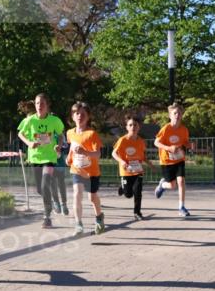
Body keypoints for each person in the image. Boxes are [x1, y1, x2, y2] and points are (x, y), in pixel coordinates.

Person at [17, 94, 66, 229]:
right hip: (35, 157)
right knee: (40, 189)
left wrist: (59, 145)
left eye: (42, 103)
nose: (39, 106)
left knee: (45, 185)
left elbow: (61, 135)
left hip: (49, 157)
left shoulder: (54, 120)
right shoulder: (30, 120)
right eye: (38, 103)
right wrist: (29, 142)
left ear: (47, 105)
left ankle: (47, 217)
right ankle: (54, 198)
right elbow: (20, 133)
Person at [66, 101, 105, 235]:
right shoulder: (70, 133)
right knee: (77, 193)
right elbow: (73, 147)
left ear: (88, 117)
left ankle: (99, 217)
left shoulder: (92, 134)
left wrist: (85, 152)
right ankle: (78, 224)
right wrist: (69, 157)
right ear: (73, 116)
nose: (79, 116)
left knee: (92, 197)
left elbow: (98, 154)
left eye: (83, 114)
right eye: (77, 113)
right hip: (77, 170)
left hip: (92, 172)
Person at [154, 103, 192, 217]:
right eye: (175, 113)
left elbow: (185, 141)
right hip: (167, 161)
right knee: (172, 185)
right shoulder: (166, 128)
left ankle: (181, 207)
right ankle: (162, 185)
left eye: (179, 113)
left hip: (179, 159)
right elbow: (156, 142)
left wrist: (189, 145)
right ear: (170, 115)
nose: (177, 115)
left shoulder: (184, 129)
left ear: (182, 115)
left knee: (181, 182)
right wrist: (169, 148)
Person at [112, 114, 147, 220]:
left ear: (139, 127)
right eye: (130, 125)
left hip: (137, 170)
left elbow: (142, 156)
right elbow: (114, 153)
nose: (133, 127)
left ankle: (137, 212)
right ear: (127, 127)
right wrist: (122, 161)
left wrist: (144, 165)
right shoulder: (122, 140)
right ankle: (123, 188)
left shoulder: (141, 141)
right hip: (126, 171)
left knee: (138, 192)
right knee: (128, 194)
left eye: (135, 125)